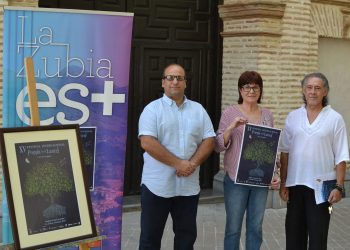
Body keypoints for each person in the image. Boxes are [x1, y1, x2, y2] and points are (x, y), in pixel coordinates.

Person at [138, 63, 216, 250]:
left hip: (187, 188)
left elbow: (209, 139)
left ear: (185, 83)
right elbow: (147, 142)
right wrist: (178, 164)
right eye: (170, 78)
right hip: (157, 186)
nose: (175, 81)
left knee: (186, 239)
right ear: (163, 82)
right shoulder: (152, 109)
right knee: (150, 239)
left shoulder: (198, 110)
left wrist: (192, 163)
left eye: (179, 78)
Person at [279, 72, 349, 250]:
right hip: (295, 185)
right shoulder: (293, 117)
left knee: (318, 239)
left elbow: (341, 156)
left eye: (318, 88)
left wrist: (339, 186)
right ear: (303, 90)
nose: (313, 92)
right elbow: (285, 153)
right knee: (294, 239)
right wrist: (283, 183)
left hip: (322, 188)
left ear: (325, 92)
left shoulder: (335, 118)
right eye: (309, 87)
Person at [215, 71, 279, 250]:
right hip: (236, 179)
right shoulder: (230, 112)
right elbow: (219, 144)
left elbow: (271, 147)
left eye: (255, 87)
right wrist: (232, 127)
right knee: (233, 228)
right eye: (247, 87)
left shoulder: (267, 115)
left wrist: (274, 173)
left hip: (259, 181)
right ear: (240, 90)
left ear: (260, 90)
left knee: (255, 228)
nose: (251, 90)